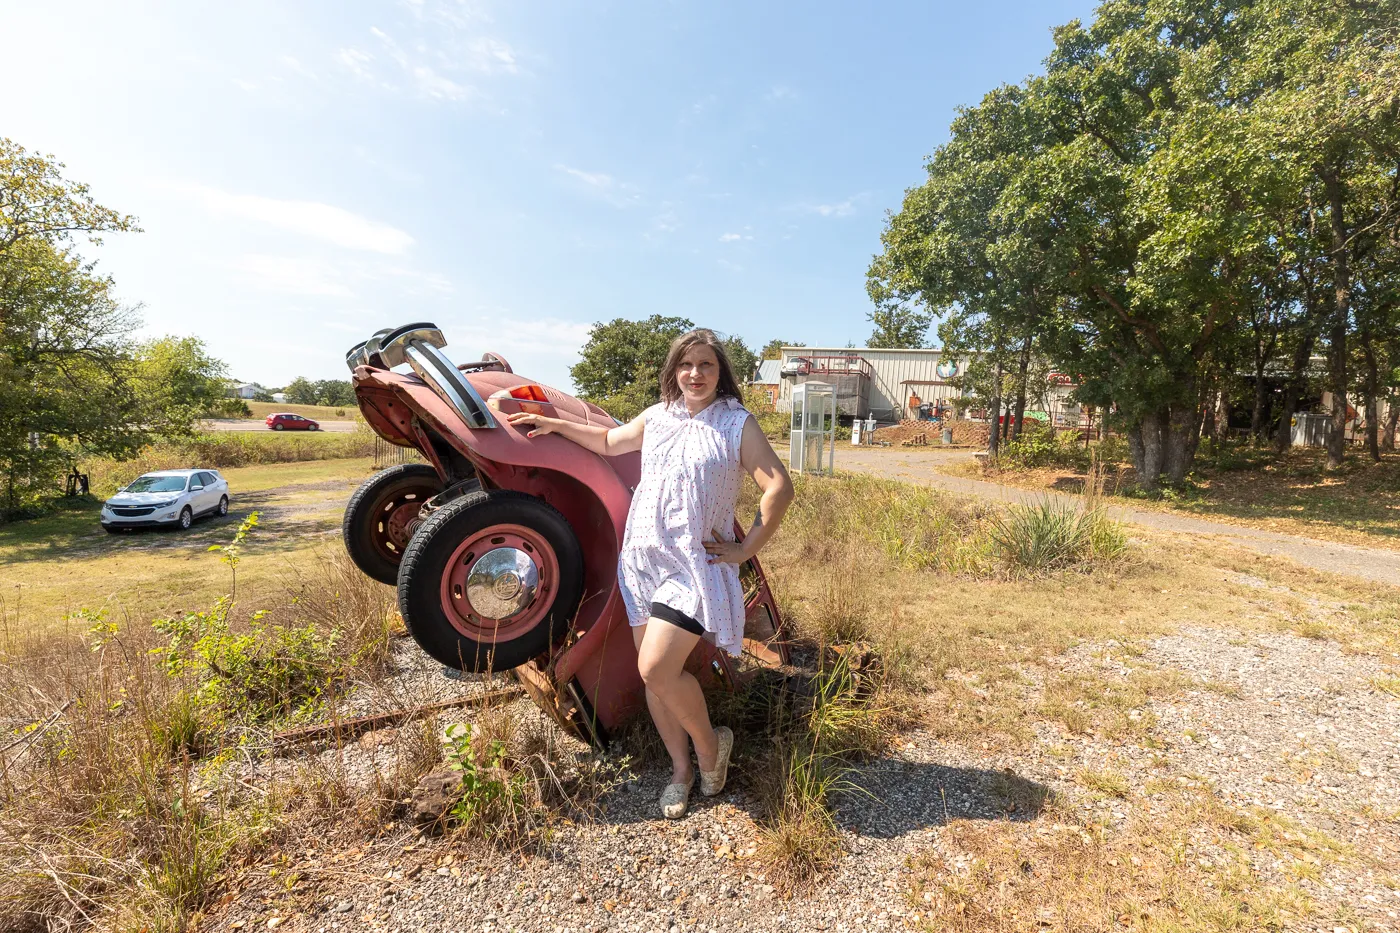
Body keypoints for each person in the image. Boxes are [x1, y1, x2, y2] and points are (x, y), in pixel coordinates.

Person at [505, 328, 794, 818]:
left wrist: (745, 549)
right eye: (686, 365)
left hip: (693, 566)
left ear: (720, 371)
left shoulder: (735, 424)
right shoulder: (659, 417)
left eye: (705, 364)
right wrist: (553, 425)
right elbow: (607, 440)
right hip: (642, 564)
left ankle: (711, 746)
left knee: (654, 668)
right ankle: (681, 770)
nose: (695, 374)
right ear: (673, 371)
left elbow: (779, 488)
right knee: (660, 679)